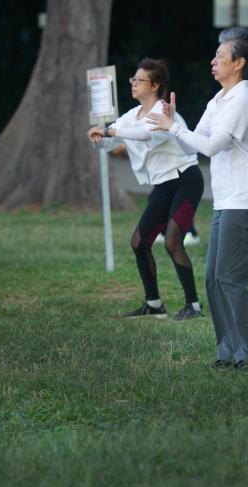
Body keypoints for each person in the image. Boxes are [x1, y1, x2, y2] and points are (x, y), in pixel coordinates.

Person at [148, 27, 248, 370]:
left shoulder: (242, 99)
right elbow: (193, 143)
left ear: (239, 62)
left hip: (244, 200)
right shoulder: (218, 100)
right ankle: (229, 352)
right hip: (227, 200)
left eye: (220, 55)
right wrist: (173, 125)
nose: (213, 60)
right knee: (213, 280)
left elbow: (214, 145)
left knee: (231, 280)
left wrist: (174, 129)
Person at [87, 58, 204, 321]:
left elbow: (142, 134)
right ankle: (153, 305)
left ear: (155, 85)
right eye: (133, 79)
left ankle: (193, 306)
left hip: (186, 180)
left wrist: (108, 130)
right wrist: (99, 139)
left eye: (138, 80)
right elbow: (113, 141)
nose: (133, 84)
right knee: (139, 243)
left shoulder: (165, 112)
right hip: (163, 185)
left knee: (173, 241)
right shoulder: (132, 115)